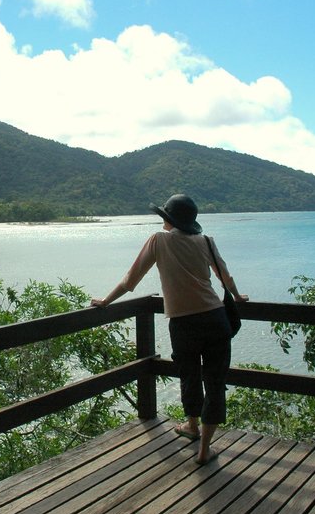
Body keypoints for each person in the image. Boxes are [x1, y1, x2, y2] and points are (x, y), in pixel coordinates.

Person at [91, 194, 248, 465]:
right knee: (215, 382)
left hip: (184, 323)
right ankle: (204, 450)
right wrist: (236, 296)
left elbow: (131, 280)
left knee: (189, 375)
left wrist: (106, 301)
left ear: (168, 219)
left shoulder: (159, 240)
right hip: (216, 319)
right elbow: (225, 277)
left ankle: (192, 425)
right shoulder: (206, 241)